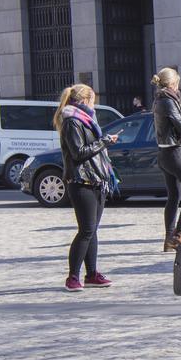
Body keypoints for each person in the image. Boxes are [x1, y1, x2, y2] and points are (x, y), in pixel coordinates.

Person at [53, 84, 119, 292]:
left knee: (92, 230)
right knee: (86, 230)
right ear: (84, 101)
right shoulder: (72, 121)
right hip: (81, 181)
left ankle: (92, 274)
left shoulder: (87, 120)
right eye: (92, 101)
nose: (94, 106)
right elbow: (78, 152)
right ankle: (72, 277)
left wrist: (104, 142)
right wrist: (104, 142)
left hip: (96, 179)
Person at [152, 67, 181, 253]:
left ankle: (170, 239)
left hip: (164, 153)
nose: (179, 87)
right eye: (177, 83)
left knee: (174, 196)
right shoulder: (168, 100)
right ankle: (179, 233)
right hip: (174, 153)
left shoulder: (159, 99)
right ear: (172, 83)